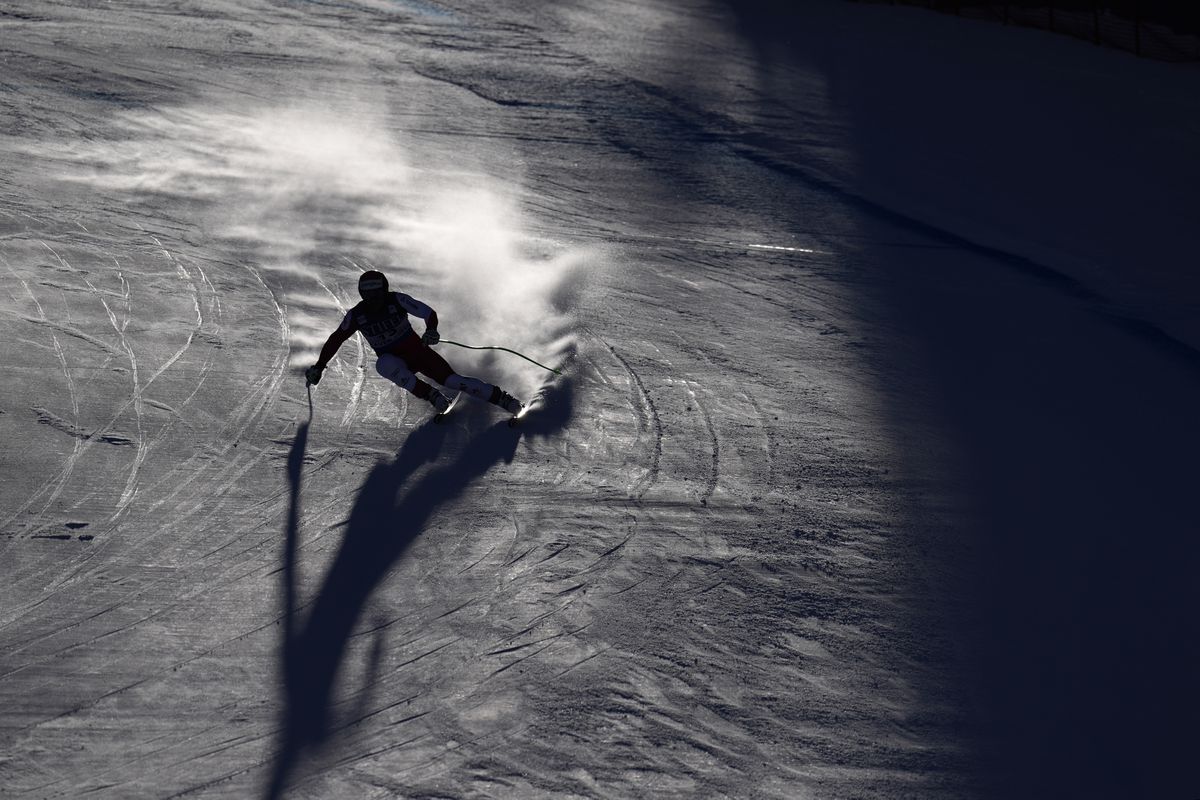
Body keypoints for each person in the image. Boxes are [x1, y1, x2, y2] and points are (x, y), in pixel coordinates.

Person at [305, 270, 524, 417]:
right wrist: (319, 366)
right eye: (368, 294)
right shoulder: (357, 315)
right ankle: (431, 395)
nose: (373, 299)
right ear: (362, 294)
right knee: (384, 364)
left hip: (419, 353)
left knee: (453, 381)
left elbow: (428, 313)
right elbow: (336, 338)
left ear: (385, 291)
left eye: (377, 293)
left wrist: (431, 330)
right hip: (398, 361)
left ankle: (503, 399)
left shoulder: (397, 300)